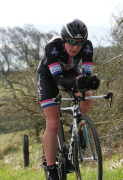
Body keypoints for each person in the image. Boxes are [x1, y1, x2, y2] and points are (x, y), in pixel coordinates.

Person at [37, 19, 100, 180]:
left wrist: (91, 81)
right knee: (53, 123)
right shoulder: (52, 47)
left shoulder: (87, 47)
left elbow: (85, 75)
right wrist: (75, 83)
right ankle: (51, 170)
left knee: (87, 94)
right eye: (71, 42)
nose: (75, 47)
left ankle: (77, 128)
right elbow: (58, 79)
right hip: (49, 76)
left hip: (71, 71)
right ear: (65, 39)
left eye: (79, 43)